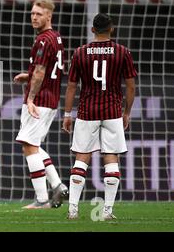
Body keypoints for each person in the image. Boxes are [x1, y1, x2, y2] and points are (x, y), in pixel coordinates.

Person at [62, 13, 137, 220]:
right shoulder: (122, 52)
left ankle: (73, 210)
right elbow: (131, 86)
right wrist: (127, 112)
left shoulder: (79, 53)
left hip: (87, 111)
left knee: (82, 157)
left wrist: (67, 114)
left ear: (92, 30)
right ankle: (107, 212)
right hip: (112, 111)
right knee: (111, 157)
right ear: (111, 28)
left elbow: (71, 86)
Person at [14, 0, 69, 209]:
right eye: (32, 13)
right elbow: (46, 70)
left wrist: (30, 99)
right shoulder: (56, 38)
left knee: (29, 145)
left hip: (40, 99)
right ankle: (57, 186)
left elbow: (40, 71)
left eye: (39, 14)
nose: (34, 17)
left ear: (49, 16)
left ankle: (42, 199)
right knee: (31, 144)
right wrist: (28, 76)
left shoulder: (44, 40)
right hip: (50, 97)